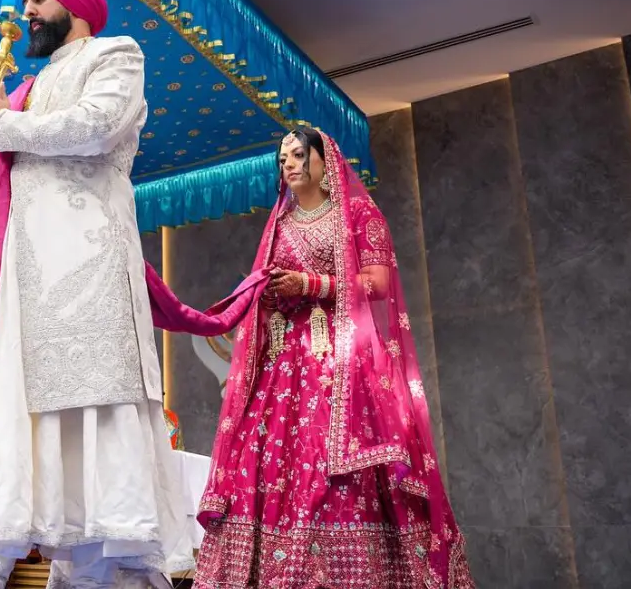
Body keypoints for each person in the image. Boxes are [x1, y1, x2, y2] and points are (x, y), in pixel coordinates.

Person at [0, 0, 193, 588]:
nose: (28, 13)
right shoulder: (26, 90)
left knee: (93, 433)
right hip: (21, 288)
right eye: (26, 2)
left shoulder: (116, 56)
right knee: (5, 425)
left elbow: (97, 127)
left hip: (88, 279)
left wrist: (2, 120)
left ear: (75, 4)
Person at [191, 128, 475, 589]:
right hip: (282, 369)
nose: (289, 164)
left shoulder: (358, 213)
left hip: (341, 363)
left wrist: (312, 285)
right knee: (267, 466)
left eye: (300, 154)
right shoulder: (278, 225)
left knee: (336, 468)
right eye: (283, 158)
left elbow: (379, 283)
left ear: (327, 161)